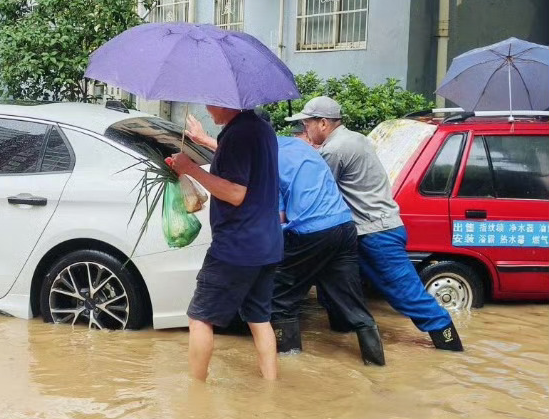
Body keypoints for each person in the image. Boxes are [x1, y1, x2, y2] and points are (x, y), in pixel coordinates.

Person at [186, 114, 386, 366]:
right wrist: (205, 140)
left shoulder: (266, 160)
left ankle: (291, 359)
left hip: (310, 231)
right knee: (351, 300)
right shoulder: (296, 147)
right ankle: (376, 364)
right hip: (343, 225)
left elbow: (275, 211)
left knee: (280, 299)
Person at [287, 96, 464, 352]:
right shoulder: (356, 138)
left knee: (405, 294)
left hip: (375, 232)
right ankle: (346, 335)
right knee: (334, 284)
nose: (306, 130)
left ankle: (450, 346)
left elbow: (315, 190)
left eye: (307, 124)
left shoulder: (334, 150)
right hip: (373, 228)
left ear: (323, 123)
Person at [169, 106, 282, 382]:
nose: (208, 108)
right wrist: (206, 141)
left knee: (200, 318)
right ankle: (271, 387)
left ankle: (196, 394)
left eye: (211, 101)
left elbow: (235, 193)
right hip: (267, 244)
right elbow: (241, 162)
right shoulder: (261, 129)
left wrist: (190, 168)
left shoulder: (238, 134)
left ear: (227, 101)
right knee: (259, 319)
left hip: (236, 246)